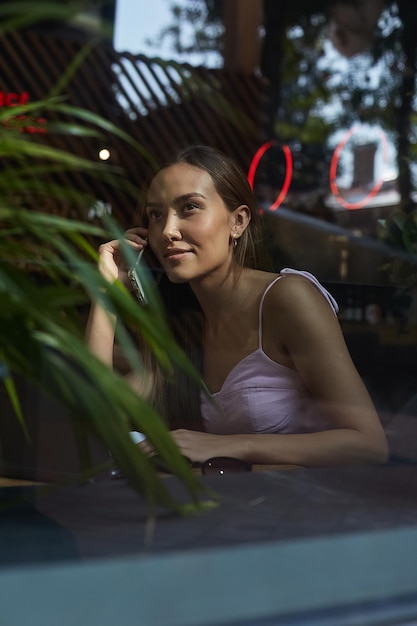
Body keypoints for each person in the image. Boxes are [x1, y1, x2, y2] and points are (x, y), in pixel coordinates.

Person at [85, 145, 388, 467]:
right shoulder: (185, 329)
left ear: (238, 222)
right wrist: (106, 293)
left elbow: (368, 443)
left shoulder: (287, 297)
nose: (168, 231)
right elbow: (95, 412)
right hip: (229, 507)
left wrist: (225, 446)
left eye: (189, 207)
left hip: (308, 507)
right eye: (156, 215)